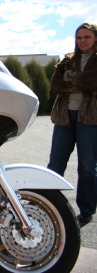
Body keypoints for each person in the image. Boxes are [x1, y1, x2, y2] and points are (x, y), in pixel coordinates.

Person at [48, 22, 97, 226]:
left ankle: (85, 212)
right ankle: (49, 203)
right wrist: (79, 81)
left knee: (87, 166)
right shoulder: (68, 59)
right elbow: (55, 85)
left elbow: (93, 82)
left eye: (87, 37)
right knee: (56, 163)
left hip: (90, 118)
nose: (82, 41)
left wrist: (71, 78)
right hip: (64, 116)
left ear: (95, 38)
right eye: (79, 37)